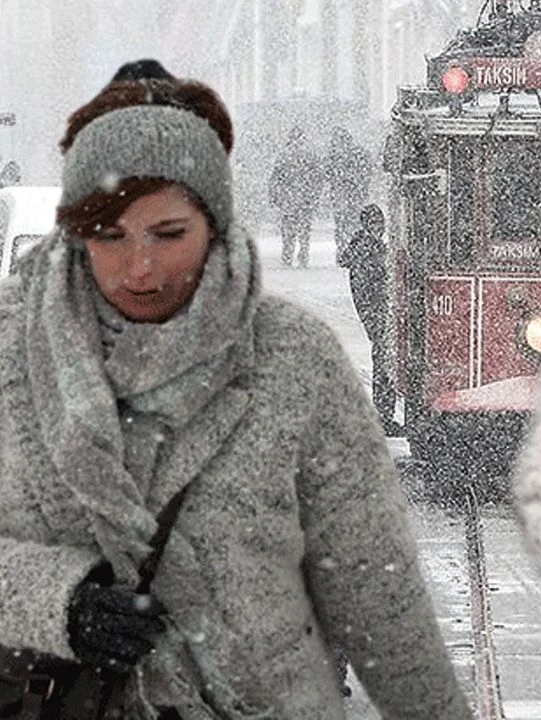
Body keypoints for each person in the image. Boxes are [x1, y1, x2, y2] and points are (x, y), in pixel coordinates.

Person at [0, 60, 470, 719]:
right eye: (109, 235)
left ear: (216, 228)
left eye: (169, 234)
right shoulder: (12, 357)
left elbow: (379, 595)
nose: (141, 268)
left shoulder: (294, 359)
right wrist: (62, 603)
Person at [338, 203, 401, 436]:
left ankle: (384, 413)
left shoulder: (365, 247)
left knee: (383, 360)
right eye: (376, 223)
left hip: (376, 313)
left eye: (381, 223)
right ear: (367, 224)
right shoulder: (368, 250)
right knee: (384, 362)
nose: (380, 228)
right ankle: (383, 415)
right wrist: (377, 313)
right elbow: (368, 288)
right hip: (378, 313)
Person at [269, 125, 322, 268]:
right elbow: (318, 178)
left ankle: (288, 254)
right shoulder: (310, 155)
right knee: (304, 231)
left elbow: (275, 178)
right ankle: (303, 254)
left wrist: (274, 196)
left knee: (288, 231)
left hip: (289, 200)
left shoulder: (284, 155)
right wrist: (314, 196)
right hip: (305, 199)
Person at [325, 127, 373, 261]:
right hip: (355, 196)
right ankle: (355, 251)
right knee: (354, 224)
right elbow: (368, 171)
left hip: (341, 197)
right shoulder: (359, 153)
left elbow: (327, 174)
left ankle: (343, 251)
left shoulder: (334, 156)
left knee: (341, 225)